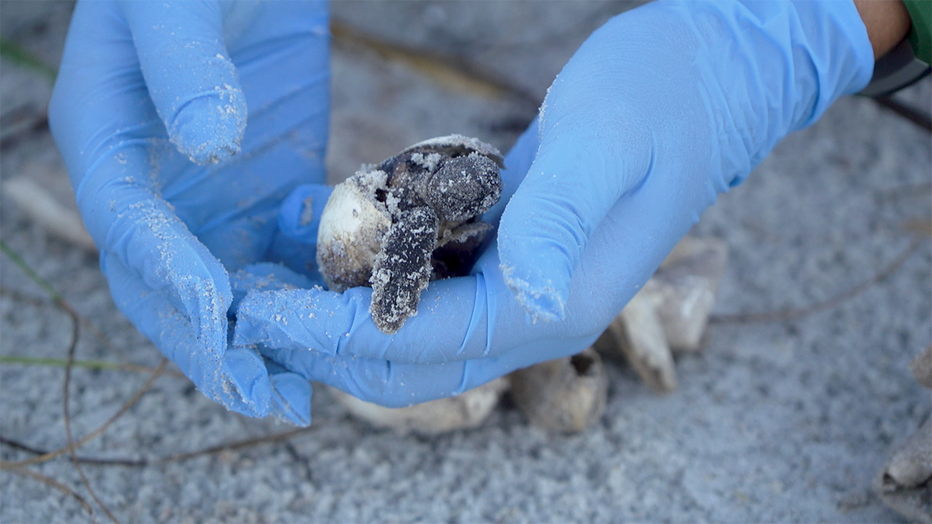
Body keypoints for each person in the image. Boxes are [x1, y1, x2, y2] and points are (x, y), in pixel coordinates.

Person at [48, 0, 917, 425]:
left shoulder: (460, 192)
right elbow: (416, 216)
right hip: (372, 225)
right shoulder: (426, 197)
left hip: (402, 216)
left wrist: (811, 17)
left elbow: (448, 210)